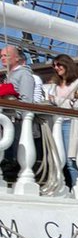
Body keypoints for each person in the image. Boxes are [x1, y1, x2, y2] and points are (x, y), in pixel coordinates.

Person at [44, 54, 78, 187]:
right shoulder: (54, 85)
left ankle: (77, 187)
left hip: (71, 124)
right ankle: (62, 187)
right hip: (57, 123)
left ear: (67, 64)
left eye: (59, 64)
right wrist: (68, 101)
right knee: (57, 159)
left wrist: (56, 100)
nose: (57, 68)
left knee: (71, 160)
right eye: (54, 66)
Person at [0, 44, 40, 180]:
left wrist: (20, 118)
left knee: (18, 156)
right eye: (1, 56)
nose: (2, 58)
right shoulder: (8, 75)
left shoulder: (24, 74)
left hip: (18, 123)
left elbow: (27, 99)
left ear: (17, 58)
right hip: (7, 122)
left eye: (6, 55)